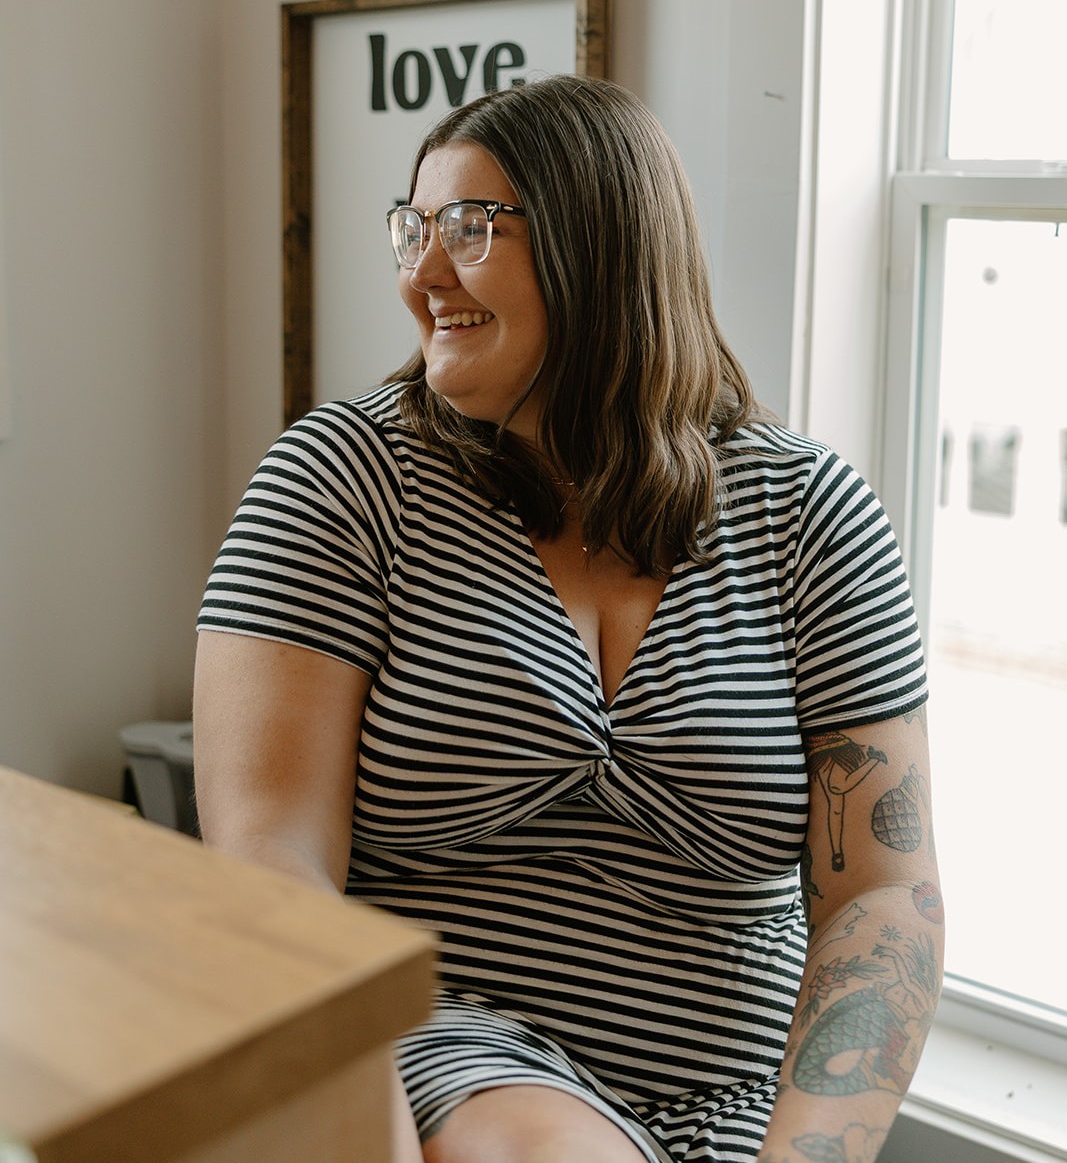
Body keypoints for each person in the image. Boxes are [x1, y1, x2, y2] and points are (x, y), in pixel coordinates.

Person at [193, 74, 944, 1163]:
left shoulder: (809, 510)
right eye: (412, 228)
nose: (422, 274)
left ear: (601, 246)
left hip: (737, 1095)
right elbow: (268, 852)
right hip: (443, 1061)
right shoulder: (343, 478)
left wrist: (806, 1155)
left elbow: (882, 893)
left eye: (467, 227)